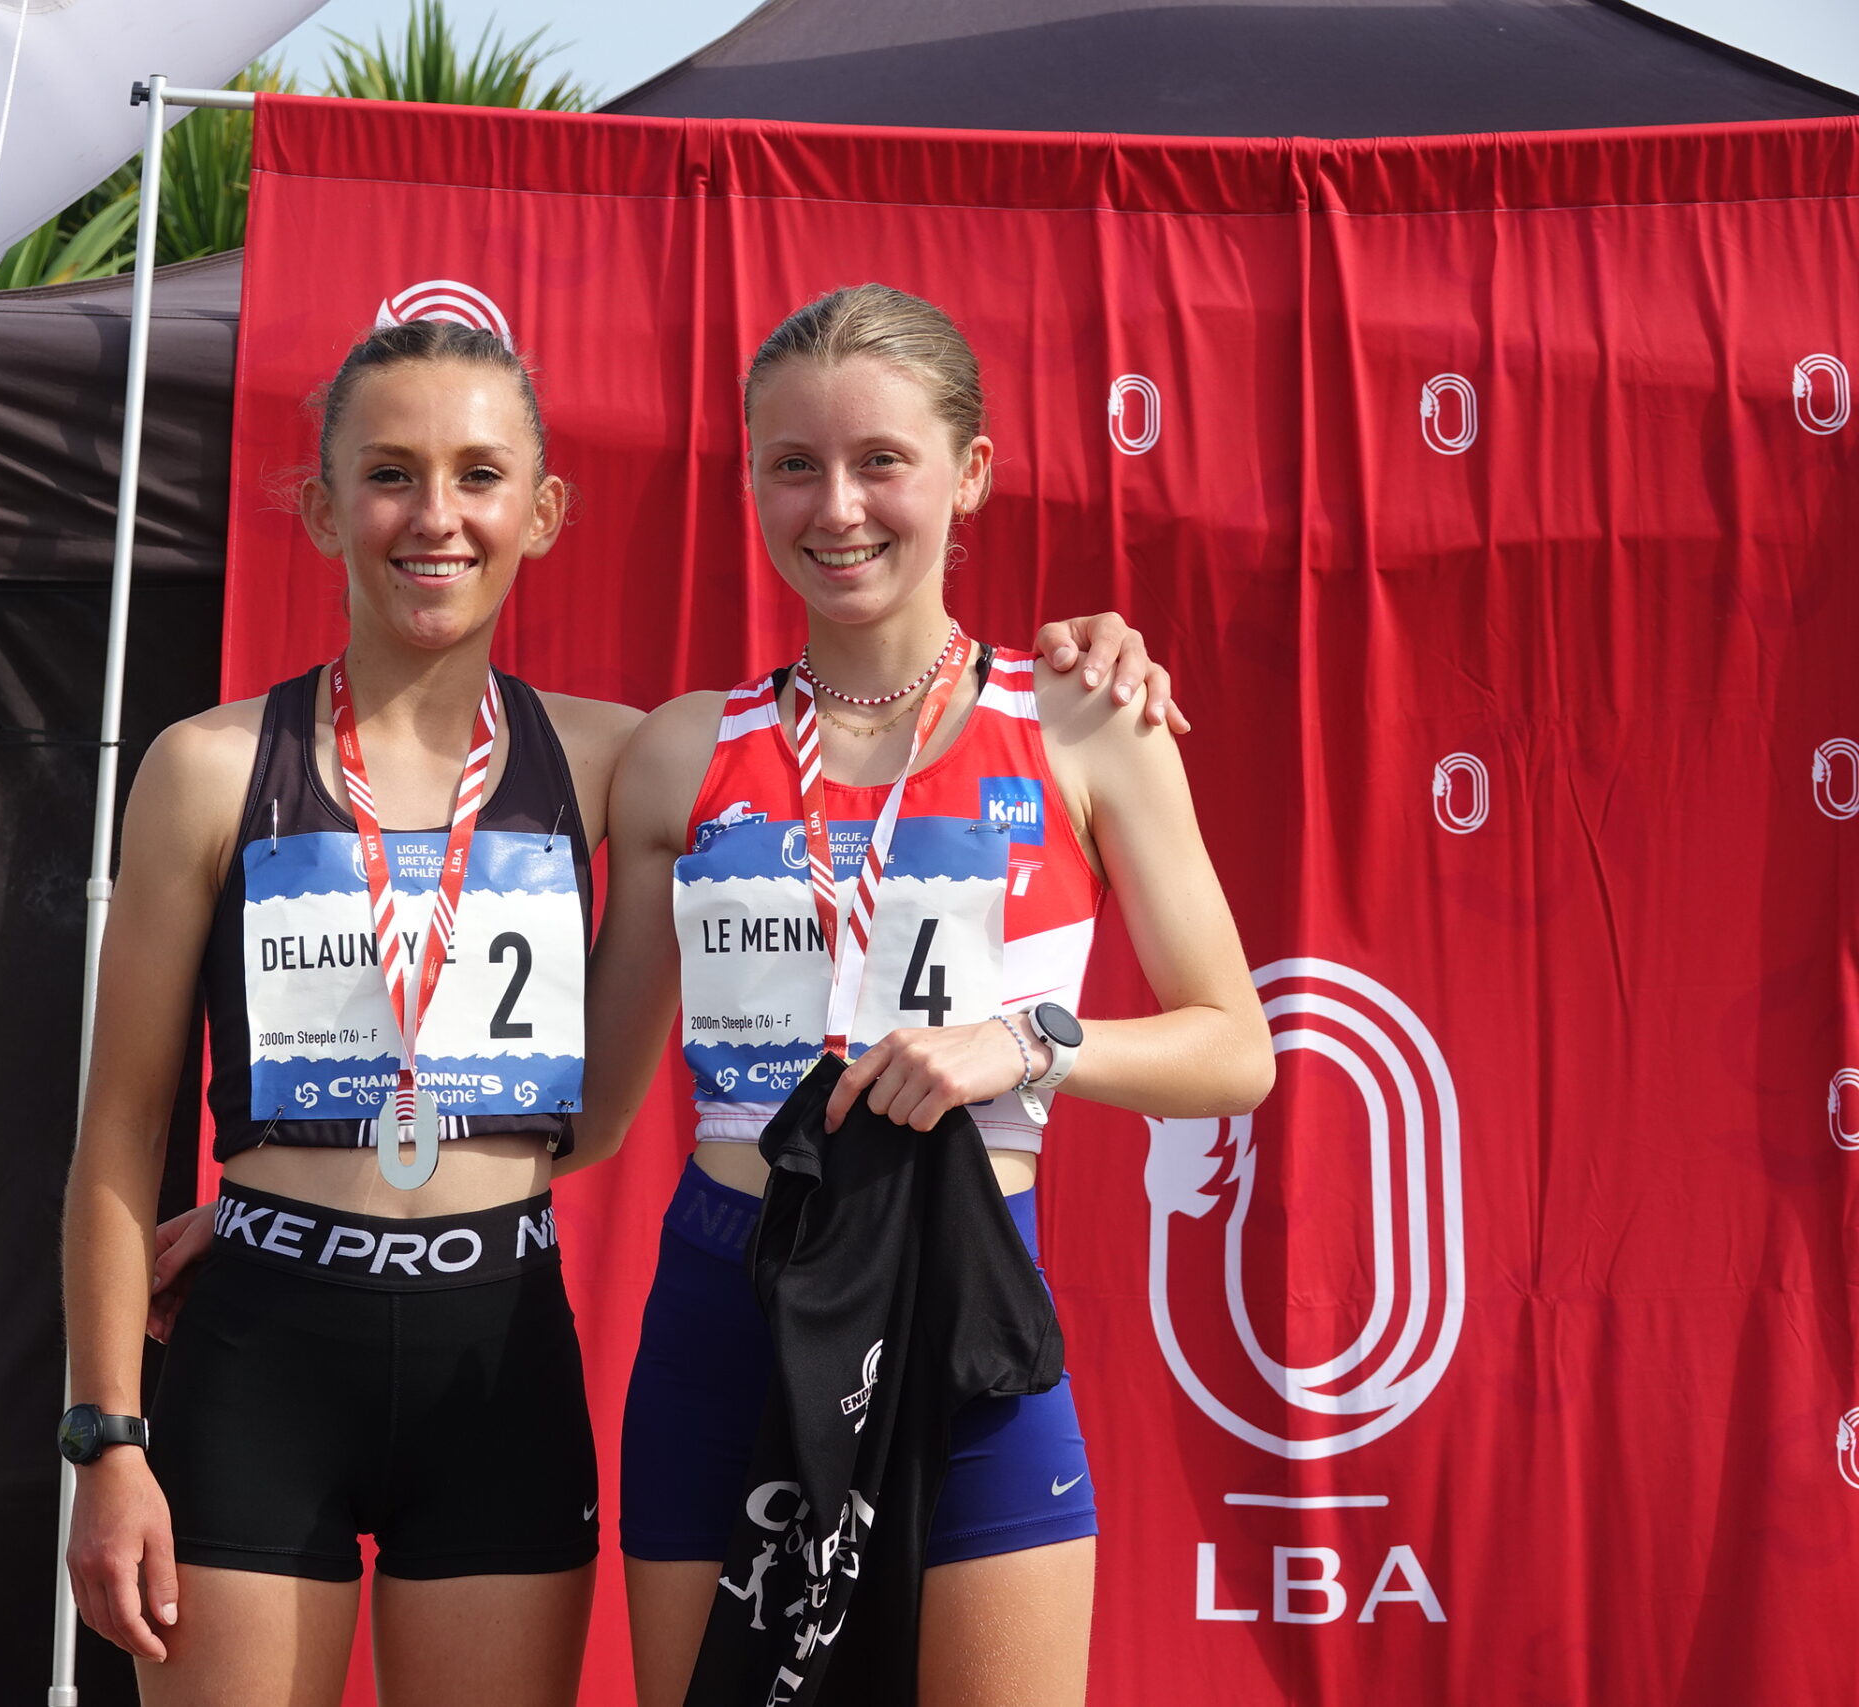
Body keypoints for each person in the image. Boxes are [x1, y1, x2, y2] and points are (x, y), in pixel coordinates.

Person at [62, 313, 1186, 1707]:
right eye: (392, 474)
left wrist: (1092, 662)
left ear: (543, 512)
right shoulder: (229, 766)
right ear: (320, 502)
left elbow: (575, 1120)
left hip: (540, 1350)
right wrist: (133, 1396)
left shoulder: (623, 753)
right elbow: (129, 1126)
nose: (436, 516)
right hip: (282, 1346)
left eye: (479, 476)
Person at [575, 284, 1275, 1707]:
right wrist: (297, 1205)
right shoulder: (675, 754)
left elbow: (1233, 1049)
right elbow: (580, 1115)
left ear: (972, 474)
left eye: (882, 460)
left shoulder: (1084, 719)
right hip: (728, 1303)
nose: (838, 507)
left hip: (962, 1296)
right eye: (795, 465)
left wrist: (1018, 1048)